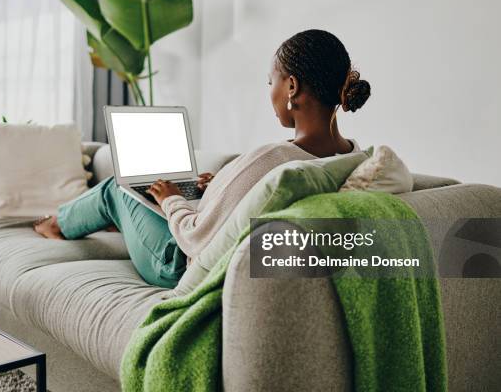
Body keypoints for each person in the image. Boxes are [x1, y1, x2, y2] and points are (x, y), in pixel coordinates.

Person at [34, 29, 371, 288]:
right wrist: (218, 187)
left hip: (177, 263)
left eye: (272, 82)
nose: (270, 92)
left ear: (292, 87)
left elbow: (196, 238)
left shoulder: (274, 159)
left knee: (114, 189)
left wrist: (171, 200)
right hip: (215, 239)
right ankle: (111, 221)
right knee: (147, 194)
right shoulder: (354, 155)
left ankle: (55, 224)